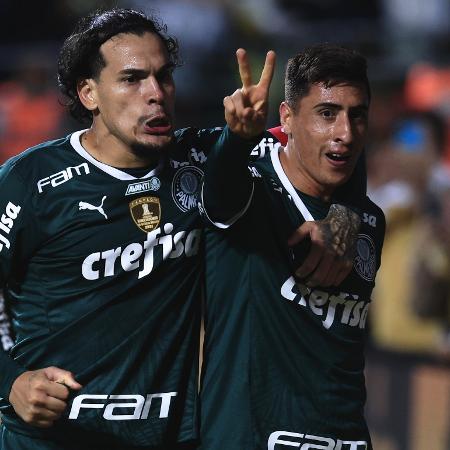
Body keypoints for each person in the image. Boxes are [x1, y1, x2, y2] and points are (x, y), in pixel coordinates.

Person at [0, 8, 361, 450]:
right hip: (52, 438)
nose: (156, 93)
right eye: (132, 79)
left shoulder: (206, 156)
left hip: (166, 437)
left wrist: (345, 215)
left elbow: (330, 148)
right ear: (88, 92)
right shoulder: (29, 182)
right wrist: (11, 380)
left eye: (164, 76)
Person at [199, 44, 385, 450]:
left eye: (358, 115)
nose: (345, 133)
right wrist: (236, 139)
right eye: (326, 113)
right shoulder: (254, 194)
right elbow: (220, 191)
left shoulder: (368, 220)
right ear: (287, 118)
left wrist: (348, 209)